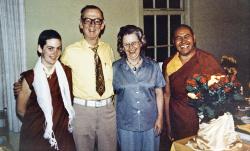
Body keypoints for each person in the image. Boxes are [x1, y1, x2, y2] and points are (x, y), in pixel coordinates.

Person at [60, 5, 116, 151]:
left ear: (102, 25)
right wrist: (27, 82)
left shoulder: (108, 49)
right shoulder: (70, 52)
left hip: (108, 111)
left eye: (97, 21)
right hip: (82, 111)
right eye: (87, 20)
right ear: (81, 23)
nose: (92, 25)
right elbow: (55, 78)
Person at [162, 24, 224, 141]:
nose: (183, 41)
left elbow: (222, 92)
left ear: (194, 38)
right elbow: (167, 95)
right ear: (173, 41)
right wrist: (168, 125)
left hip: (204, 121)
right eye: (178, 38)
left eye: (187, 36)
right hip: (178, 119)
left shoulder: (207, 60)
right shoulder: (169, 64)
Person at [16, 29, 76, 151]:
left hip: (62, 132)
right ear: (40, 48)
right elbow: (21, 110)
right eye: (50, 48)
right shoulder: (29, 77)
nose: (55, 53)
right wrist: (44, 123)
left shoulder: (67, 72)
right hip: (36, 134)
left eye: (58, 48)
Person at [113, 25, 166, 151]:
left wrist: (160, 118)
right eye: (126, 44)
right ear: (122, 47)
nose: (131, 48)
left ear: (141, 43)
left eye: (134, 43)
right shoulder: (115, 68)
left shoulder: (153, 66)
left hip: (150, 124)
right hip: (126, 125)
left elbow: (159, 92)